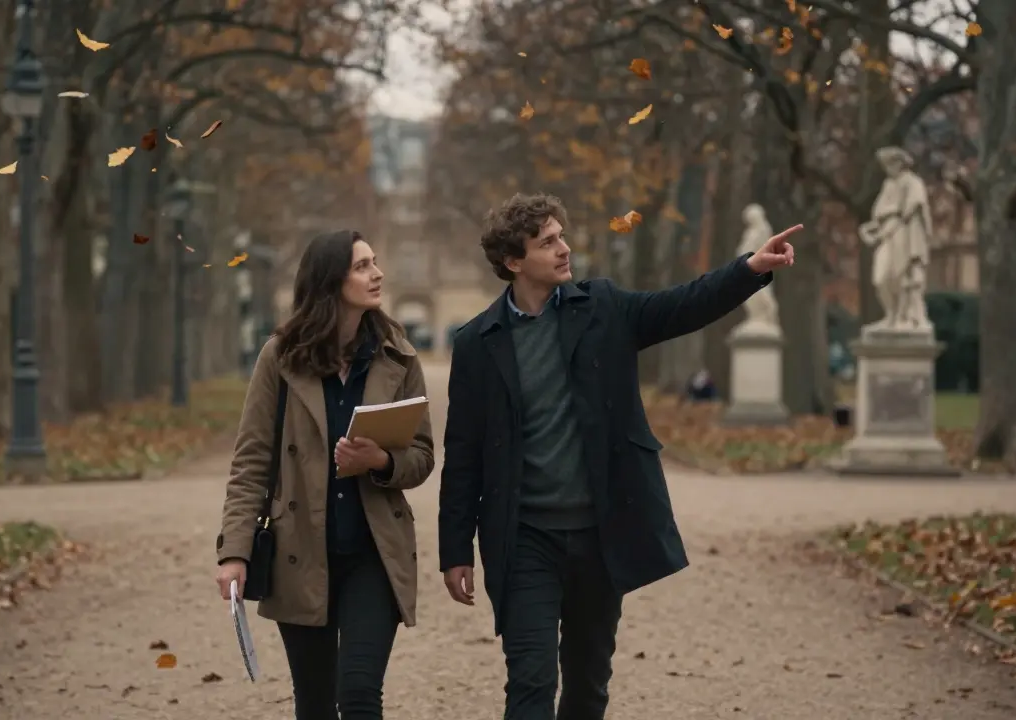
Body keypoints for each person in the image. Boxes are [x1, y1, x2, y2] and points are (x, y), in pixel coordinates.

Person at [438, 193, 798, 719]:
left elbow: (683, 304)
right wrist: (455, 549)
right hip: (523, 539)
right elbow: (463, 451)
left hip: (599, 536)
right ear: (513, 262)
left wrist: (749, 270)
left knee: (587, 687)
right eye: (548, 242)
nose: (565, 249)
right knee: (531, 682)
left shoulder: (604, 307)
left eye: (561, 235)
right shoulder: (477, 342)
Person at [215, 230, 435, 720]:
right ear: (329, 281)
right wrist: (234, 553)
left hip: (374, 556)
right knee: (314, 704)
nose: (377, 274)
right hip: (300, 555)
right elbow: (251, 462)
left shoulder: (398, 355)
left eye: (375, 263)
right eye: (362, 266)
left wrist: (379, 461)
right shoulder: (280, 356)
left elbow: (422, 456)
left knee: (358, 695)